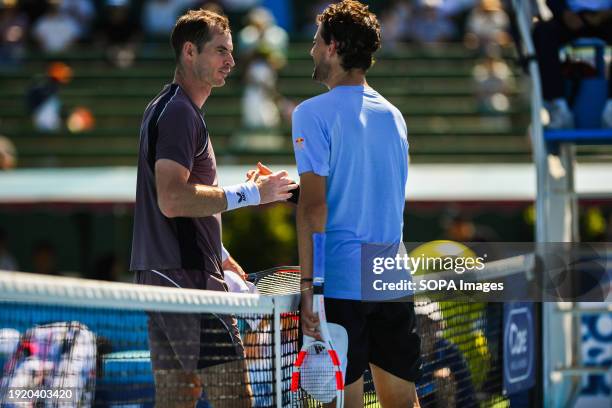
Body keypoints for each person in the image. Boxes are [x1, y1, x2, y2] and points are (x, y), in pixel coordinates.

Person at [129, 9, 297, 408]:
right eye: (221, 50)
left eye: (232, 51)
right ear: (190, 52)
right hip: (186, 282)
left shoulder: (170, 109)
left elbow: (175, 202)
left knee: (178, 398)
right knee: (234, 399)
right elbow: (172, 199)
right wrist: (254, 194)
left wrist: (219, 254)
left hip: (168, 275)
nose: (231, 61)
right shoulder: (179, 114)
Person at [292, 1, 421, 406]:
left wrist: (308, 289)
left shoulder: (310, 114)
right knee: (402, 402)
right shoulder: (394, 116)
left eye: (316, 42)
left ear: (333, 47)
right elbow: (366, 191)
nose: (311, 50)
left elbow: (314, 209)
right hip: (391, 278)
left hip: (343, 284)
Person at [533, 0, 612, 128]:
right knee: (543, 32)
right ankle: (557, 106)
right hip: (570, 18)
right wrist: (565, 14)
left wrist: (606, 14)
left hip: (608, 18)